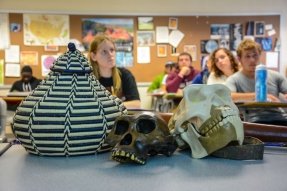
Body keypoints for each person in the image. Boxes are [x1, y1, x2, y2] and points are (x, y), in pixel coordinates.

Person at [225, 39, 287, 125]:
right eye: (247, 56)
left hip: (280, 119)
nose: (252, 60)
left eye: (255, 55)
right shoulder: (234, 79)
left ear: (260, 56)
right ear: (239, 59)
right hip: (253, 122)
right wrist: (259, 95)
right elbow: (228, 96)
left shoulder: (276, 76)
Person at [89, 35, 141, 109]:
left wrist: (107, 106)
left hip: (121, 119)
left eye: (112, 50)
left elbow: (136, 104)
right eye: (104, 51)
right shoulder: (88, 78)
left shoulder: (125, 75)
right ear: (93, 56)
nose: (110, 55)